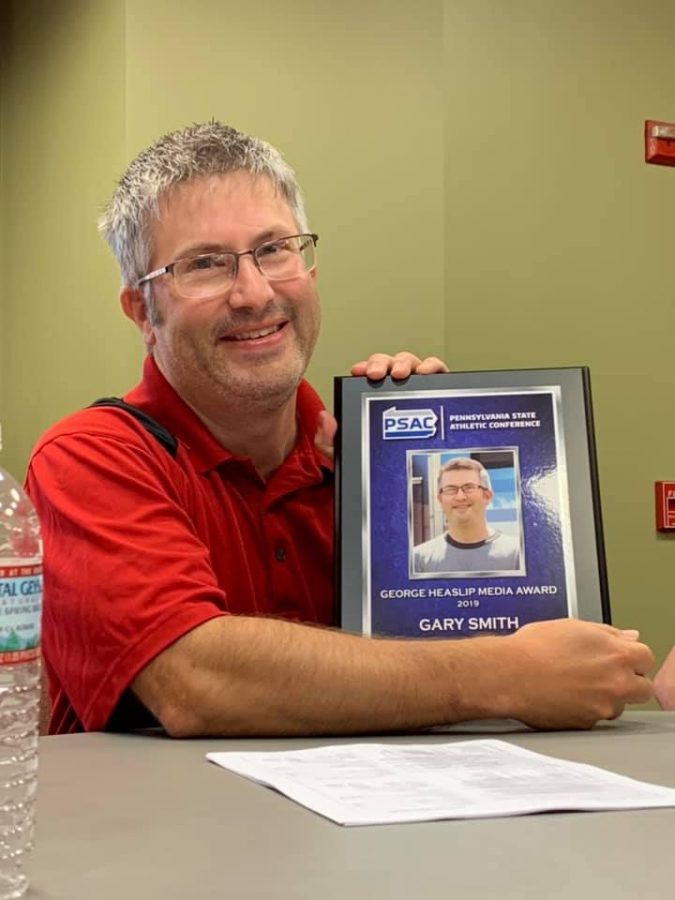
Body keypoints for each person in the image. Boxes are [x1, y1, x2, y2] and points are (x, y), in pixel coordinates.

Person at [26, 121, 653, 737]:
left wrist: (421, 452)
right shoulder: (90, 458)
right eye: (206, 265)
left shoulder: (359, 456)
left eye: (274, 249)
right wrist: (506, 676)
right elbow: (195, 681)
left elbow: (485, 649)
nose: (253, 293)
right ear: (143, 310)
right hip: (163, 835)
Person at [413, 457, 521, 574]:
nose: (460, 497)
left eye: (469, 487)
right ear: (440, 500)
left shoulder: (517, 554)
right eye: (450, 489)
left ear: (487, 496)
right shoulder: (418, 559)